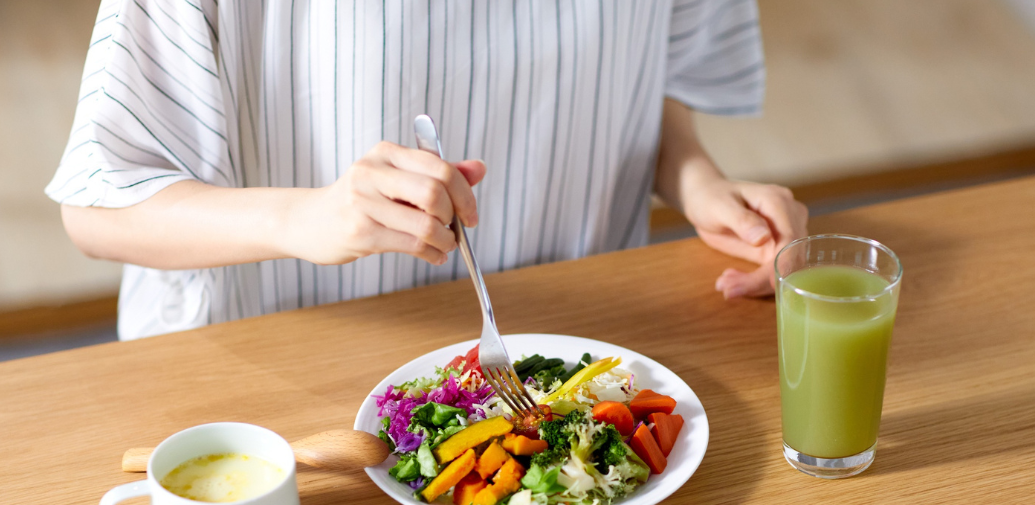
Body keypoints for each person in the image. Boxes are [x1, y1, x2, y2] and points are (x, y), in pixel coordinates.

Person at [48, 0, 807, 340]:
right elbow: (99, 205)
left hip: (578, 343)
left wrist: (697, 180)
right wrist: (305, 217)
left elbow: (651, 65)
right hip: (289, 373)